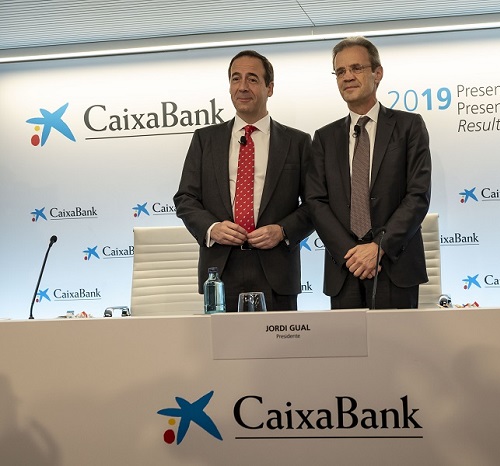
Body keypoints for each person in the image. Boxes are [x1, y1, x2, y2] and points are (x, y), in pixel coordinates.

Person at [174, 50, 313, 311]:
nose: (242, 87)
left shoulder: (297, 142)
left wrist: (282, 231)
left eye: (252, 79)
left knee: (278, 339)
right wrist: (212, 228)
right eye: (236, 79)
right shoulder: (205, 140)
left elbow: (314, 204)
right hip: (220, 272)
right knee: (222, 340)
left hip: (277, 271)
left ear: (269, 88)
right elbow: (185, 198)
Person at [306, 36, 432, 309]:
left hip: (394, 265)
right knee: (346, 339)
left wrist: (378, 247)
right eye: (340, 71)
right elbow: (316, 201)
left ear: (378, 73)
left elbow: (418, 195)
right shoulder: (324, 138)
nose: (347, 77)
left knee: (397, 339)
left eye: (356, 68)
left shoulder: (409, 126)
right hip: (345, 268)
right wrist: (352, 254)